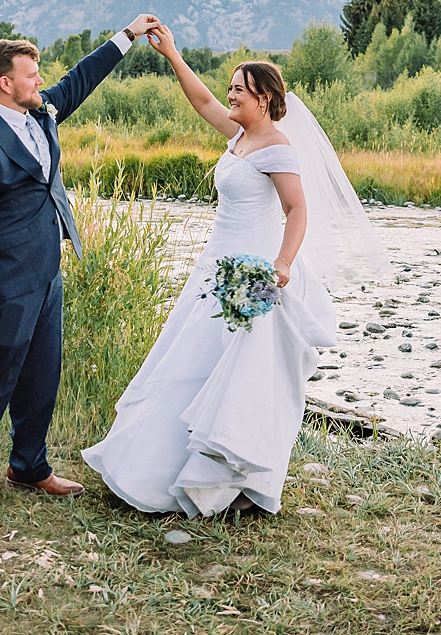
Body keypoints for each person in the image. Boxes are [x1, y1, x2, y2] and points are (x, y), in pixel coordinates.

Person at [83, 25, 384, 516]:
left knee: (238, 376)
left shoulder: (277, 147)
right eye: (231, 90)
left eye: (239, 91)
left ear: (264, 98)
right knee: (188, 362)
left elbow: (297, 210)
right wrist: (173, 55)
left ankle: (229, 481)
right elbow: (203, 103)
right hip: (213, 265)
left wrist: (281, 265)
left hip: (250, 273)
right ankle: (161, 470)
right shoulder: (242, 135)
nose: (229, 97)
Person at [0, 14, 161, 519]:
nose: (41, 82)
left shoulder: (40, 114)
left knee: (42, 375)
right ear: (4, 83)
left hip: (46, 270)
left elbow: (79, 79)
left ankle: (29, 467)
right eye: (31, 75)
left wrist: (125, 37)